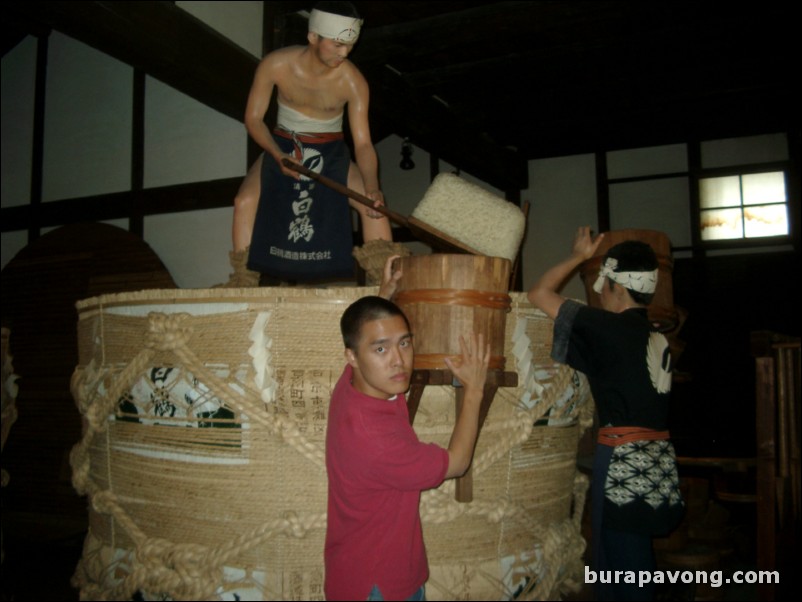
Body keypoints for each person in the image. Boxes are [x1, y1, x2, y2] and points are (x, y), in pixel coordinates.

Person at [527, 227, 684, 601]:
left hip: (622, 459)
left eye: (604, 285)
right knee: (634, 561)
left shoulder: (609, 328)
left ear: (617, 286)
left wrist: (579, 257)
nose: (598, 292)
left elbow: (539, 294)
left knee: (621, 566)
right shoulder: (656, 335)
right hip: (657, 460)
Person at [324, 258, 490, 600]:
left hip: (351, 571)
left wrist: (385, 294)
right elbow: (457, 463)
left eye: (404, 343)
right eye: (381, 349)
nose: (398, 361)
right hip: (382, 585)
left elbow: (368, 334)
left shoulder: (350, 388)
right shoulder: (377, 441)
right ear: (351, 356)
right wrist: (474, 389)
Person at [222, 1, 407, 286]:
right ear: (312, 37)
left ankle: (384, 281)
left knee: (373, 207)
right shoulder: (276, 64)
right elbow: (254, 119)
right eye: (337, 44)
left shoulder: (354, 81)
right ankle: (244, 281)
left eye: (350, 44)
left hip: (331, 148)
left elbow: (364, 144)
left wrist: (372, 186)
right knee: (244, 201)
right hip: (282, 143)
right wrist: (277, 155)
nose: (344, 53)